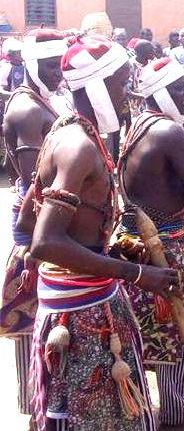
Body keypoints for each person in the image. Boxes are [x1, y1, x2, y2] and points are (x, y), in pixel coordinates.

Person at [28, 35, 179, 431]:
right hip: (81, 314)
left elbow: (32, 218)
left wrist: (111, 249)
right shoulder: (78, 147)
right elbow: (44, 241)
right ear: (98, 85)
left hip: (82, 299)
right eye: (122, 80)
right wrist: (137, 274)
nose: (128, 91)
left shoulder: (64, 133)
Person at [117, 57, 184, 428]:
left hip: (133, 242)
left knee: (143, 333)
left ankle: (142, 411)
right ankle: (176, 418)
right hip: (166, 248)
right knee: (180, 330)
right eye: (178, 89)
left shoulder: (138, 125)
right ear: (161, 92)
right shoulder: (168, 132)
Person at [0, 29, 66, 417]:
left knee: (40, 310)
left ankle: (40, 401)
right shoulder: (27, 110)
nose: (58, 74)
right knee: (31, 310)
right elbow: (34, 183)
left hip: (39, 221)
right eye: (50, 67)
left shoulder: (39, 101)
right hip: (34, 224)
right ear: (30, 64)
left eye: (60, 65)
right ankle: (32, 406)